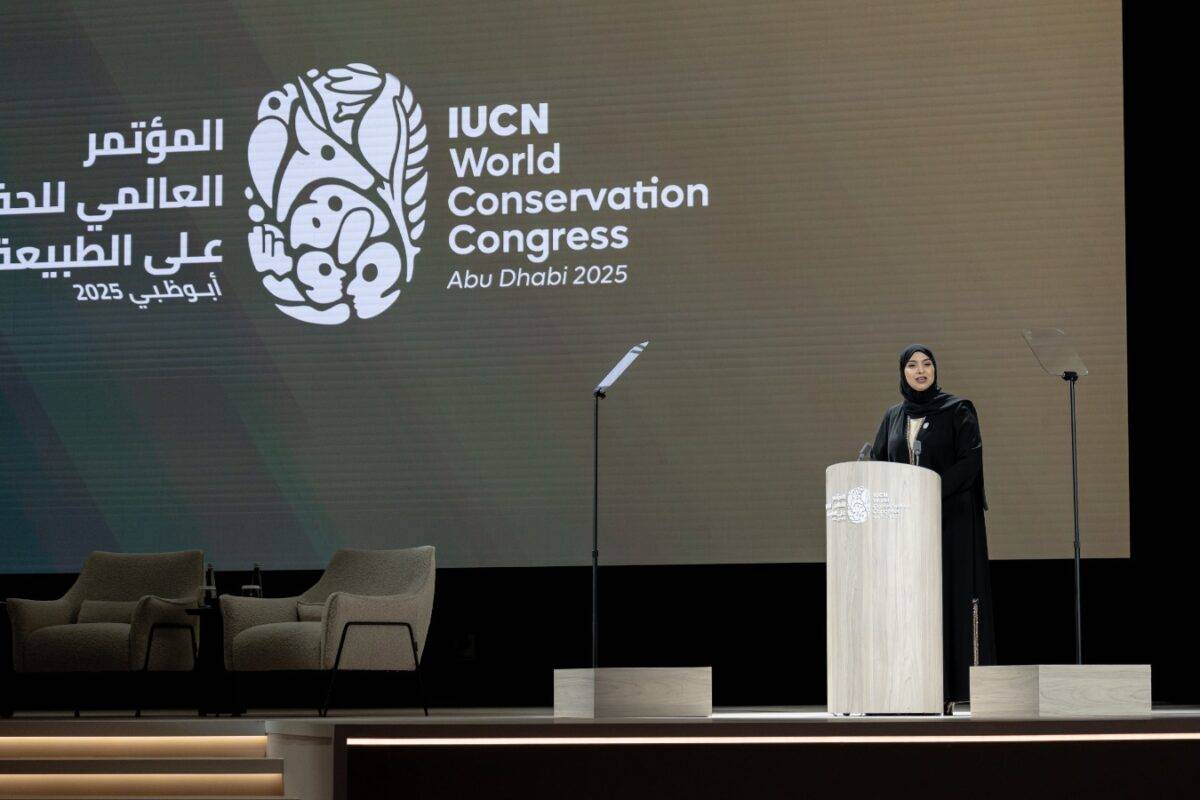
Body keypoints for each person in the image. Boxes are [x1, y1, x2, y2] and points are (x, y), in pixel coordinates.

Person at [870, 344, 995, 711]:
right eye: (912, 365)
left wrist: (928, 491)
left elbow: (970, 462)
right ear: (902, 373)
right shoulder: (893, 416)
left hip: (951, 523)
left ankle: (953, 689)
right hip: (907, 528)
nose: (920, 371)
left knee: (949, 599)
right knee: (911, 602)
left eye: (927, 364)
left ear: (936, 370)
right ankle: (911, 685)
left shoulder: (957, 410)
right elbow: (879, 461)